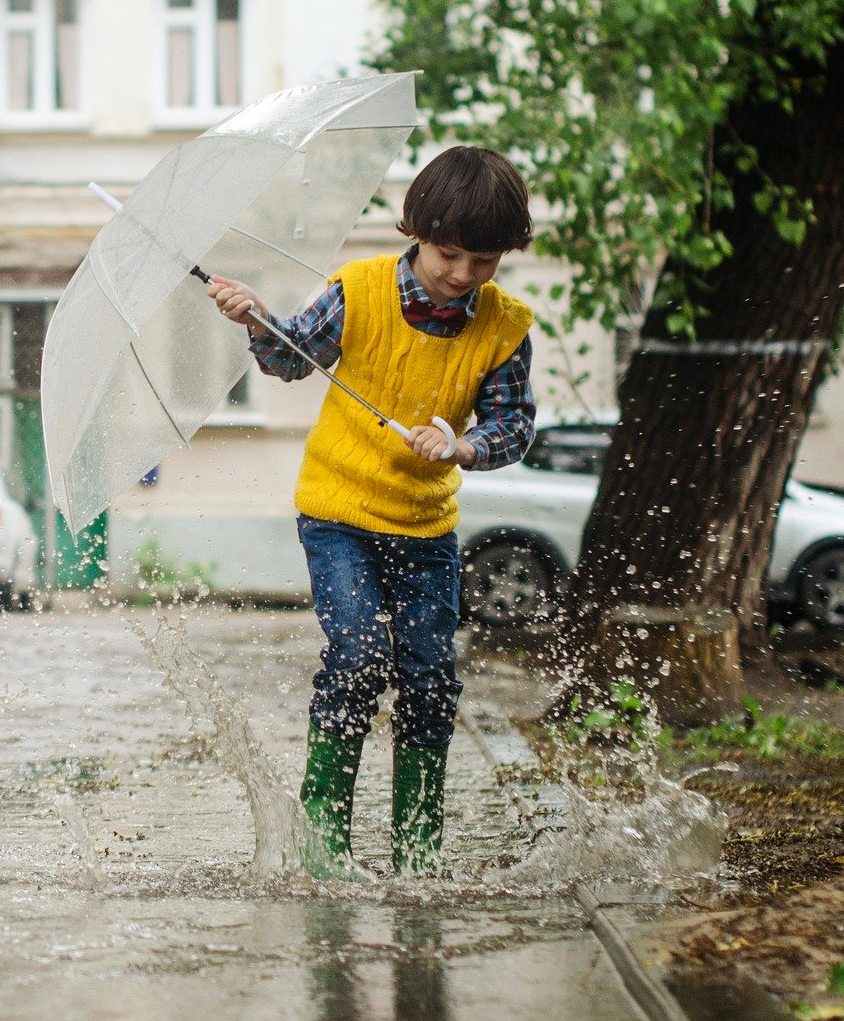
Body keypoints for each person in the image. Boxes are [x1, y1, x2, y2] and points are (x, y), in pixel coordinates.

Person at [208, 145, 535, 879]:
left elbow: (513, 427)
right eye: (449, 253)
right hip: (339, 514)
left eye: (483, 262)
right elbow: (291, 358)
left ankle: (418, 855)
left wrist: (466, 445)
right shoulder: (358, 292)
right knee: (357, 659)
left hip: (426, 527)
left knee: (428, 679)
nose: (462, 275)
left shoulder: (505, 328)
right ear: (415, 230)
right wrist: (257, 318)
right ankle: (324, 851)